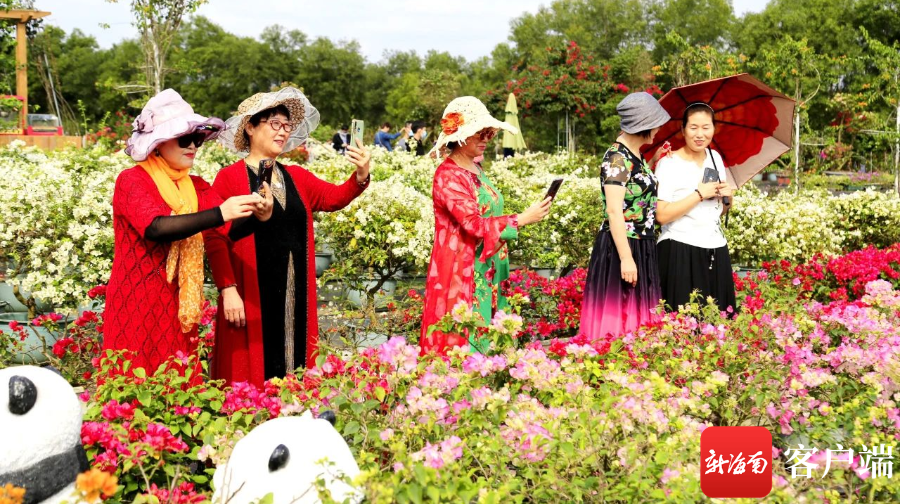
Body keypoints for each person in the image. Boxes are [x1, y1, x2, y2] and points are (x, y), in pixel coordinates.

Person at [212, 87, 371, 387]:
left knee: (295, 359)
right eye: (275, 123)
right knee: (253, 373)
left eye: (287, 125)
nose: (283, 131)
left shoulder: (297, 177)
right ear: (250, 127)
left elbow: (334, 197)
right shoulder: (229, 178)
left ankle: (293, 407)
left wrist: (361, 175)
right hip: (251, 292)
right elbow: (215, 238)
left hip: (293, 286)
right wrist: (227, 289)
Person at [103, 89, 267, 375]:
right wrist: (220, 212)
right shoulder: (132, 180)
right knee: (133, 380)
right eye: (184, 139)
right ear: (158, 143)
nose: (192, 146)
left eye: (197, 139)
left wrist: (257, 216)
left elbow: (225, 229)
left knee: (178, 379)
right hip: (136, 301)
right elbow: (155, 227)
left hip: (178, 301)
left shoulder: (197, 185)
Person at [420, 96, 552, 355]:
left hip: (487, 263)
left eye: (489, 133)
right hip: (462, 268)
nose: (486, 139)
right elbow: (473, 224)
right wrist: (521, 219)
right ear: (459, 136)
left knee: (491, 339)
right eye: (480, 133)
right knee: (463, 341)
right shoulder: (448, 175)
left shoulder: (476, 168)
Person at [579, 92, 670, 339]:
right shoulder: (617, 158)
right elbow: (614, 210)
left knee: (639, 319)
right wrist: (627, 258)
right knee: (618, 318)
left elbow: (634, 189)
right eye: (656, 124)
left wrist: (654, 160)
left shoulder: (634, 154)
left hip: (642, 243)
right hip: (623, 245)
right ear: (644, 124)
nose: (658, 130)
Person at [655, 102, 736, 312]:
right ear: (683, 130)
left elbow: (719, 210)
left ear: (714, 129)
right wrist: (699, 195)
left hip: (716, 247)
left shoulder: (715, 159)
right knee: (682, 322)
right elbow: (661, 215)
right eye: (693, 127)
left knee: (718, 320)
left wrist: (728, 197)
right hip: (679, 249)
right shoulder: (669, 164)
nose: (700, 134)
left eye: (706, 127)